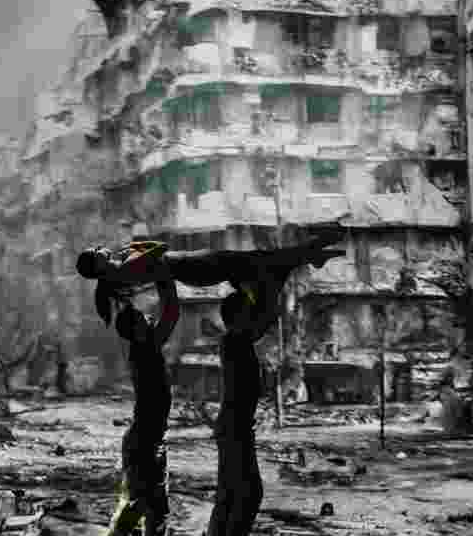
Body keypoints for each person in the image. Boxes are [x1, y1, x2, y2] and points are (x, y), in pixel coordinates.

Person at [76, 228, 345, 333]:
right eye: (97, 251)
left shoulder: (119, 270)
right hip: (197, 266)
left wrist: (131, 248)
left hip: (195, 264)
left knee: (260, 260)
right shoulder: (126, 266)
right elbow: (159, 247)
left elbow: (158, 248)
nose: (101, 247)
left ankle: (311, 252)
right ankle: (311, 251)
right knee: (259, 260)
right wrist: (132, 246)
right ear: (98, 264)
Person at [107, 278, 180, 536]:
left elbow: (164, 315)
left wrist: (123, 299)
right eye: (144, 319)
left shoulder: (142, 347)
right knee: (150, 509)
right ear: (138, 330)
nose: (150, 319)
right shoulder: (146, 348)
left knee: (143, 507)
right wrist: (165, 278)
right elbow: (171, 313)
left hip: (145, 441)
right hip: (146, 443)